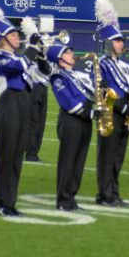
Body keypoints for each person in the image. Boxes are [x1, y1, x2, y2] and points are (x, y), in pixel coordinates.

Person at [0, 0, 48, 217]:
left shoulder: (19, 58)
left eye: (19, 35)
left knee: (17, 159)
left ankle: (10, 203)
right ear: (4, 39)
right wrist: (33, 47)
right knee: (7, 159)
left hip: (22, 108)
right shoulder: (0, 59)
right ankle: (3, 203)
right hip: (8, 109)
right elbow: (20, 65)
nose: (18, 37)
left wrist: (42, 52)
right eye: (14, 35)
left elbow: (44, 71)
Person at [93, 0, 129, 207]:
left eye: (122, 41)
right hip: (109, 115)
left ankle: (114, 193)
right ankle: (104, 194)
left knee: (118, 157)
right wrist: (123, 106)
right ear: (110, 42)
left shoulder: (126, 66)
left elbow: (127, 90)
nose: (122, 44)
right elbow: (104, 91)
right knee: (106, 157)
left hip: (124, 116)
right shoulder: (101, 64)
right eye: (118, 41)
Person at [47, 41, 95, 211]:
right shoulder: (58, 78)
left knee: (79, 161)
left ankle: (71, 197)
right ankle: (63, 199)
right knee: (68, 160)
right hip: (70, 121)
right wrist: (89, 113)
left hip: (85, 121)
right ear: (60, 60)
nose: (72, 55)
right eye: (67, 53)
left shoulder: (80, 75)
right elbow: (68, 102)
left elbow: (93, 95)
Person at [23, 18, 49, 164]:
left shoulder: (41, 54)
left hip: (43, 88)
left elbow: (46, 68)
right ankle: (30, 153)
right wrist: (35, 48)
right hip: (32, 89)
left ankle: (34, 152)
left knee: (40, 123)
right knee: (32, 123)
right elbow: (26, 63)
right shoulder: (27, 53)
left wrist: (42, 52)